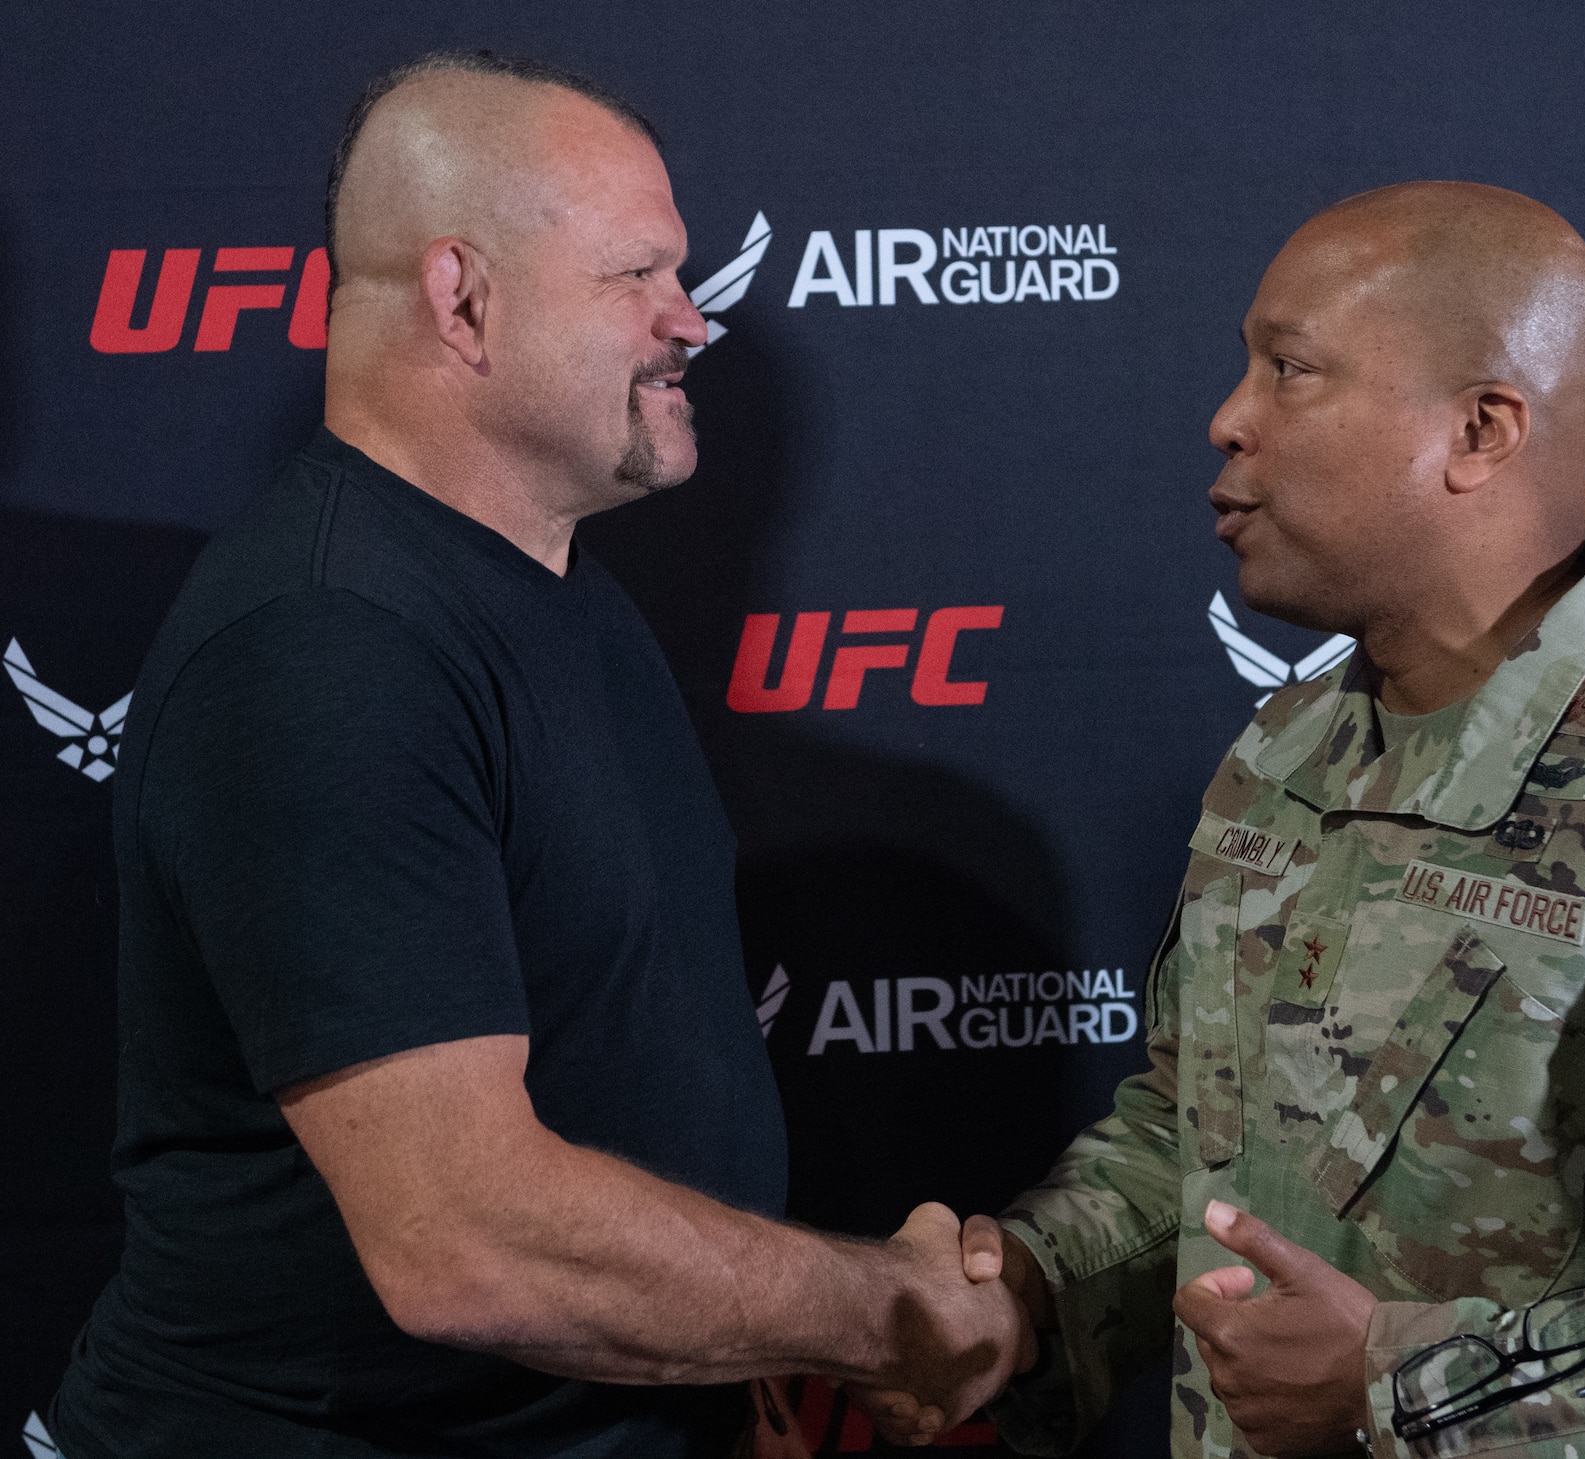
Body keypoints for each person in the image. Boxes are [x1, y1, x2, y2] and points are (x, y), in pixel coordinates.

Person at [860, 183, 1585, 1457]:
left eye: (1291, 370)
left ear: (1480, 430)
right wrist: (1028, 1295)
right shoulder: (1291, 747)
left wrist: (1392, 1390)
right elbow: (1199, 1152)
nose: (1227, 421)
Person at [50, 52, 1028, 1459]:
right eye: (638, 274)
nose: (691, 320)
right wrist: (881, 1313)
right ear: (462, 297)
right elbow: (465, 1238)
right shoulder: (330, 642)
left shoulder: (554, 583)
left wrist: (739, 1370)